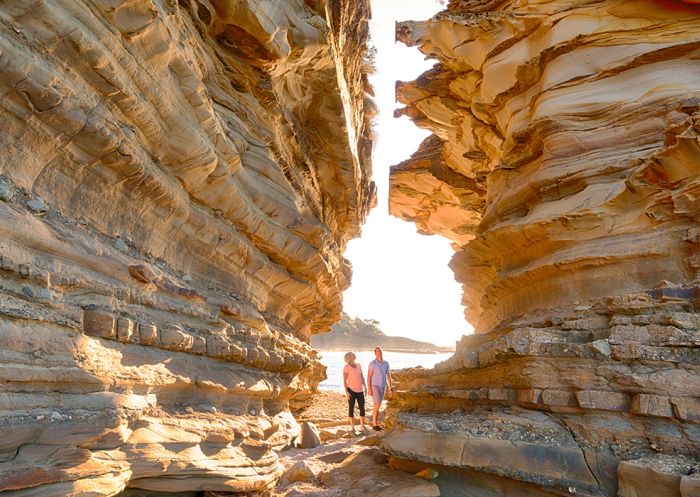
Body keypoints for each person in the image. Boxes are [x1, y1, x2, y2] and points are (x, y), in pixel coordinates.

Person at [367, 346, 392, 431]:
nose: (379, 352)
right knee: (377, 404)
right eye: (377, 351)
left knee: (378, 405)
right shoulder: (372, 364)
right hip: (375, 386)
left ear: (382, 352)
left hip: (383, 387)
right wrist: (369, 389)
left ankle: (375, 423)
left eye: (380, 351)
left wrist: (390, 388)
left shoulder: (386, 363)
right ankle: (374, 424)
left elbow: (388, 376)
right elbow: (369, 377)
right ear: (375, 353)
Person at [343, 351, 367, 434]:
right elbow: (345, 380)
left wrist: (365, 387)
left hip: (360, 390)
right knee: (351, 408)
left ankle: (362, 426)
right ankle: (352, 428)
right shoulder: (346, 367)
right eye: (352, 354)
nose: (354, 354)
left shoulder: (359, 365)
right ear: (350, 357)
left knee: (362, 408)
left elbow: (362, 377)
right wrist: (346, 392)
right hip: (351, 390)